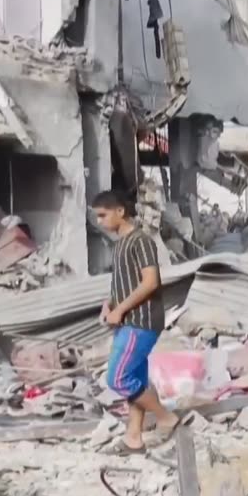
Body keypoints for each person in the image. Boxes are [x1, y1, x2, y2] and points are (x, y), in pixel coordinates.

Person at [92, 191, 181, 453]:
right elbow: (125, 282)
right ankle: (133, 438)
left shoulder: (140, 241)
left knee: (117, 378)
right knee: (135, 378)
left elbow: (151, 282)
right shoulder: (120, 244)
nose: (99, 221)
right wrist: (110, 305)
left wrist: (120, 310)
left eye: (102, 215)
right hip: (127, 320)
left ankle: (166, 417)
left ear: (120, 211)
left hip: (141, 321)